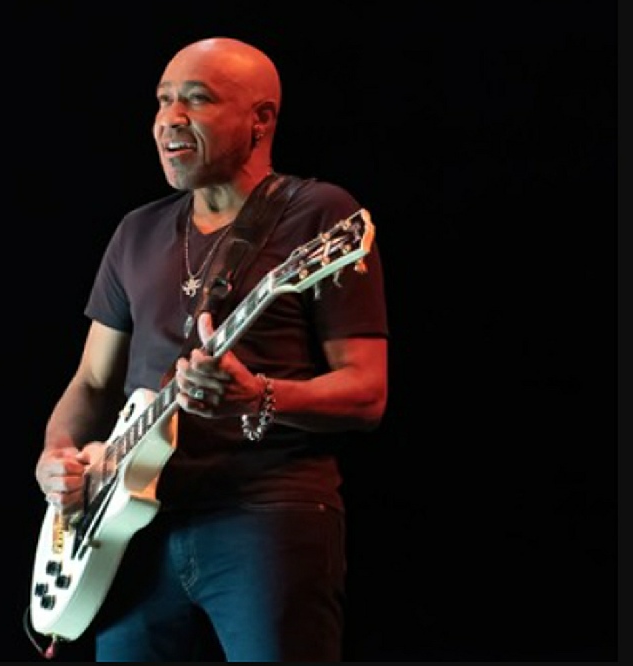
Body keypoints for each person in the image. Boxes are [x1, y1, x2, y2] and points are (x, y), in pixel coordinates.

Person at [33, 36, 389, 662]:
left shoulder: (320, 214)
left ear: (261, 120)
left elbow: (366, 391)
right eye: (163, 100)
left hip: (264, 514)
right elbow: (92, 383)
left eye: (196, 100)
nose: (169, 119)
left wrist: (259, 395)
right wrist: (56, 456)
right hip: (130, 532)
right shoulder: (137, 230)